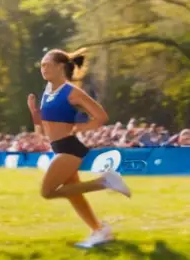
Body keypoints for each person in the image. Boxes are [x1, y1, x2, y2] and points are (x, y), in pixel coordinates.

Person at [27, 48, 132, 249]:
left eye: (47, 65)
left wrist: (80, 127)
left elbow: (101, 117)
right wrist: (33, 112)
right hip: (59, 148)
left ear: (60, 67)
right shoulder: (48, 91)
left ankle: (106, 181)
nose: (43, 69)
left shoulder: (72, 92)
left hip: (69, 148)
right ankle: (99, 230)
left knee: (47, 192)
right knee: (73, 193)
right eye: (41, 65)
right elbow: (42, 128)